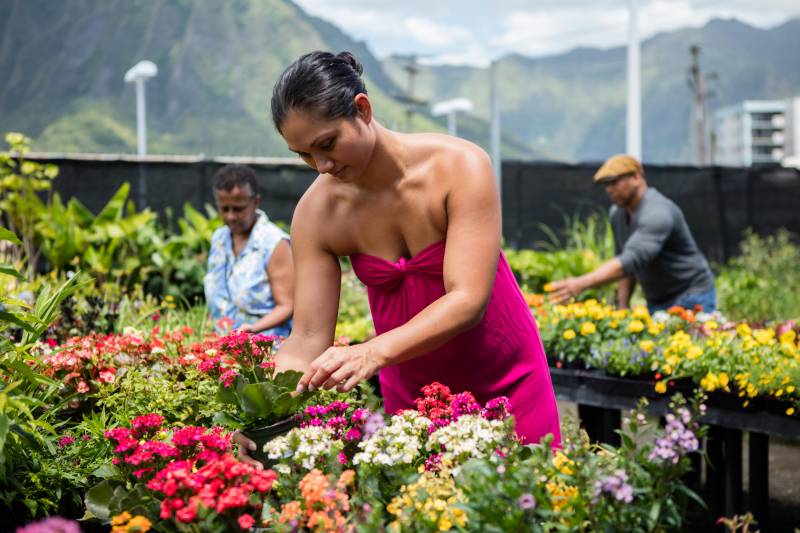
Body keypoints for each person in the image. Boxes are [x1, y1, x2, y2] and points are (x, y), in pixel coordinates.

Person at [234, 50, 561, 464]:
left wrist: (369, 352)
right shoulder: (317, 214)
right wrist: (254, 413)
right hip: (414, 399)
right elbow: (306, 340)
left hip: (507, 380)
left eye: (327, 144)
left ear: (362, 109)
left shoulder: (460, 166)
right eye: (303, 155)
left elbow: (467, 300)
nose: (321, 166)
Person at [549, 154, 716, 312]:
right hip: (657, 301)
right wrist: (623, 308)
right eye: (606, 184)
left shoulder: (658, 213)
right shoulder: (618, 214)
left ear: (636, 178)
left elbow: (630, 260)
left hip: (692, 295)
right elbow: (624, 264)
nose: (608, 189)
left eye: (614, 182)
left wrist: (580, 283)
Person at [204, 164, 294, 337]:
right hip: (224, 344)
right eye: (225, 209)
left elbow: (287, 305)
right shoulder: (219, 239)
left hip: (264, 348)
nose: (231, 216)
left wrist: (252, 330)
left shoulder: (273, 243)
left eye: (238, 209)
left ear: (255, 202)